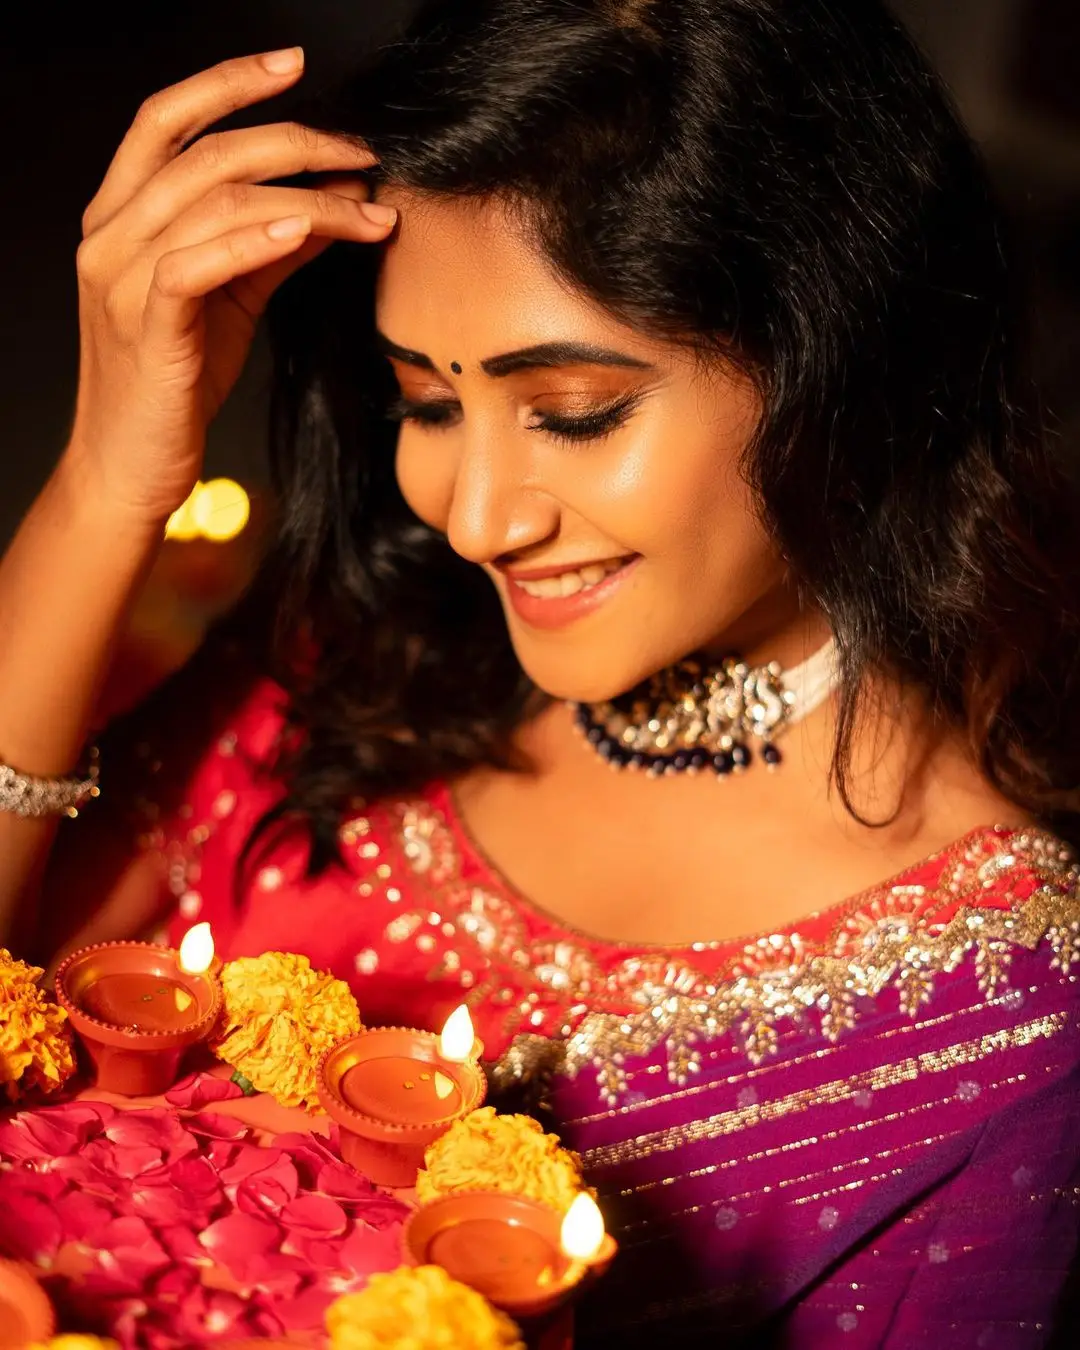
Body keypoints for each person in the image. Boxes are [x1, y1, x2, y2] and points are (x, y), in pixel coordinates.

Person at [1, 0, 1078, 1344]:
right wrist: (108, 483)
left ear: (839, 361)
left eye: (574, 414)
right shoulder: (362, 661)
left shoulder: (983, 1022)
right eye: (432, 404)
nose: (476, 518)